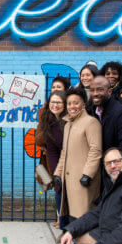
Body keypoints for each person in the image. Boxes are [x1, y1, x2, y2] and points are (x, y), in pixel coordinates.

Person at [53, 87, 102, 244]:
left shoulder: (90, 123)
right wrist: (58, 173)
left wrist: (88, 174)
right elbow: (65, 152)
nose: (72, 106)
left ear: (83, 104)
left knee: (83, 217)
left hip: (83, 180)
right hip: (70, 180)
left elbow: (96, 150)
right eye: (69, 103)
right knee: (74, 216)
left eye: (76, 103)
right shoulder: (68, 124)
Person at [34, 90, 67, 228]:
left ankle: (67, 223)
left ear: (65, 104)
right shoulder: (47, 119)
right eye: (53, 102)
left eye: (59, 102)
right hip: (52, 158)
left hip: (71, 159)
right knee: (57, 188)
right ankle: (61, 220)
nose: (55, 105)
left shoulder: (69, 120)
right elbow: (39, 140)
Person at [87, 75, 122, 156]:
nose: (95, 93)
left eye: (100, 90)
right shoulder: (91, 111)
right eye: (92, 90)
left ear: (109, 92)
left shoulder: (120, 111)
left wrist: (111, 161)